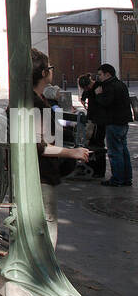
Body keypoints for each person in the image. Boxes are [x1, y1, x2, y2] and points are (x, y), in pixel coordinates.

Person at [33, 62, 91, 246]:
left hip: (39, 174)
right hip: (40, 175)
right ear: (43, 73)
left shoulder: (36, 99)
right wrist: (71, 152)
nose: (52, 71)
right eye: (51, 68)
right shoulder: (32, 102)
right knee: (46, 229)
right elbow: (37, 145)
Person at [93, 63, 134, 187]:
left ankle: (117, 179)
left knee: (115, 152)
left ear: (107, 74)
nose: (99, 77)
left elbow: (106, 102)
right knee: (123, 151)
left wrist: (98, 94)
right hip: (123, 122)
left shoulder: (109, 86)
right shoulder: (121, 84)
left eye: (100, 74)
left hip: (113, 122)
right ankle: (127, 178)